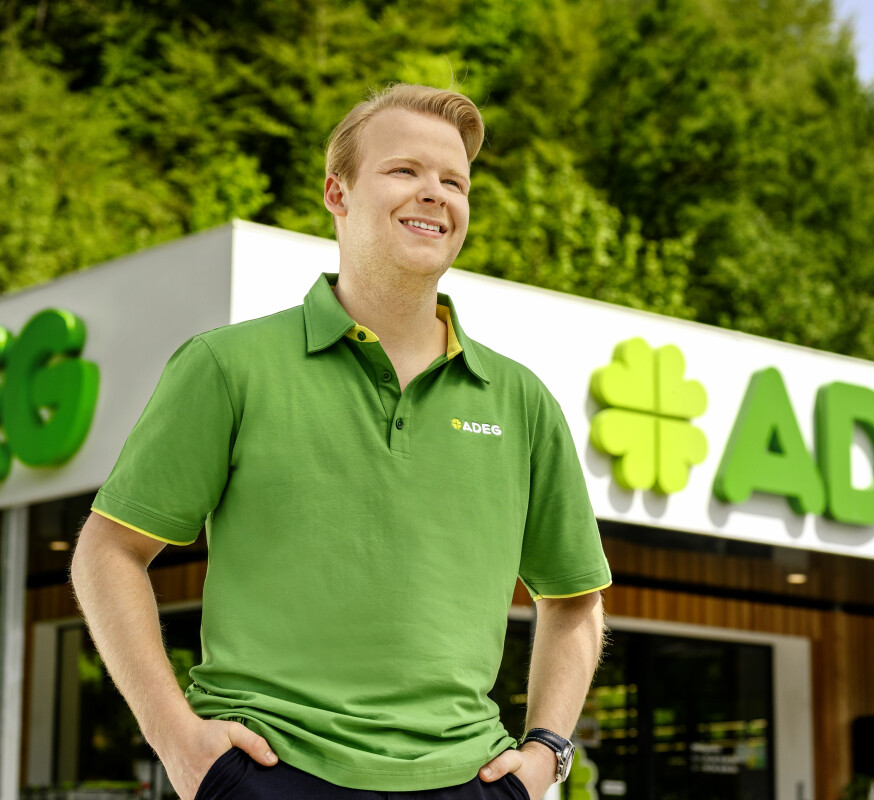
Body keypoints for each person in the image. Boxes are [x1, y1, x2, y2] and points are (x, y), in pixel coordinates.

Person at [69, 83, 612, 800]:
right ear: (337, 193)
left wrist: (545, 752)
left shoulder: (521, 401)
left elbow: (574, 600)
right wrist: (179, 740)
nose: (435, 194)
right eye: (404, 171)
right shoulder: (229, 367)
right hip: (267, 773)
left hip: (467, 780)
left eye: (454, 181)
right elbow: (108, 552)